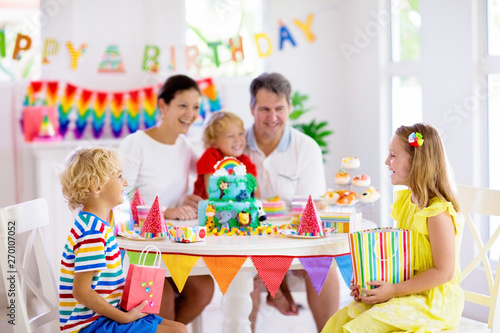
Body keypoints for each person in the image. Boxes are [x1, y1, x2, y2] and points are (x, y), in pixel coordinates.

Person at [322, 123, 464, 332]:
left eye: (393, 156)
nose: (386, 162)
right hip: (406, 292)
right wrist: (370, 285)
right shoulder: (407, 201)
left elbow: (444, 273)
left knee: (363, 326)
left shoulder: (437, 213)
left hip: (432, 303)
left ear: (417, 162)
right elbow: (401, 259)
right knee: (342, 319)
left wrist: (394, 290)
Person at [244, 72, 339, 332]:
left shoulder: (306, 148)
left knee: (324, 267)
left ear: (290, 107)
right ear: (252, 108)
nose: (272, 117)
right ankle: (274, 288)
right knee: (243, 277)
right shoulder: (235, 145)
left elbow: (311, 210)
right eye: (264, 109)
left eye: (279, 109)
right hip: (248, 243)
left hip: (294, 242)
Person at [58, 147, 187, 333]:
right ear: (96, 186)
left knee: (179, 328)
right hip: (90, 325)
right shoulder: (92, 234)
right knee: (178, 331)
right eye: (119, 177)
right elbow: (82, 291)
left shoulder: (96, 224)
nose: (125, 182)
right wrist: (124, 317)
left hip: (103, 316)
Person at [118, 75, 214, 324]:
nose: (190, 114)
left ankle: (163, 330)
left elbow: (209, 174)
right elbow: (118, 199)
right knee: (164, 296)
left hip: (174, 247)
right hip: (143, 251)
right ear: (163, 106)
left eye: (195, 107)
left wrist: (195, 198)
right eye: (183, 105)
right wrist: (165, 212)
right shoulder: (136, 143)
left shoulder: (184, 145)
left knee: (204, 288)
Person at [193, 110, 258, 199]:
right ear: (214, 142)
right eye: (230, 136)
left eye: (240, 133)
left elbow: (256, 192)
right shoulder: (211, 155)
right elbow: (212, 191)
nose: (237, 140)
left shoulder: (245, 161)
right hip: (207, 210)